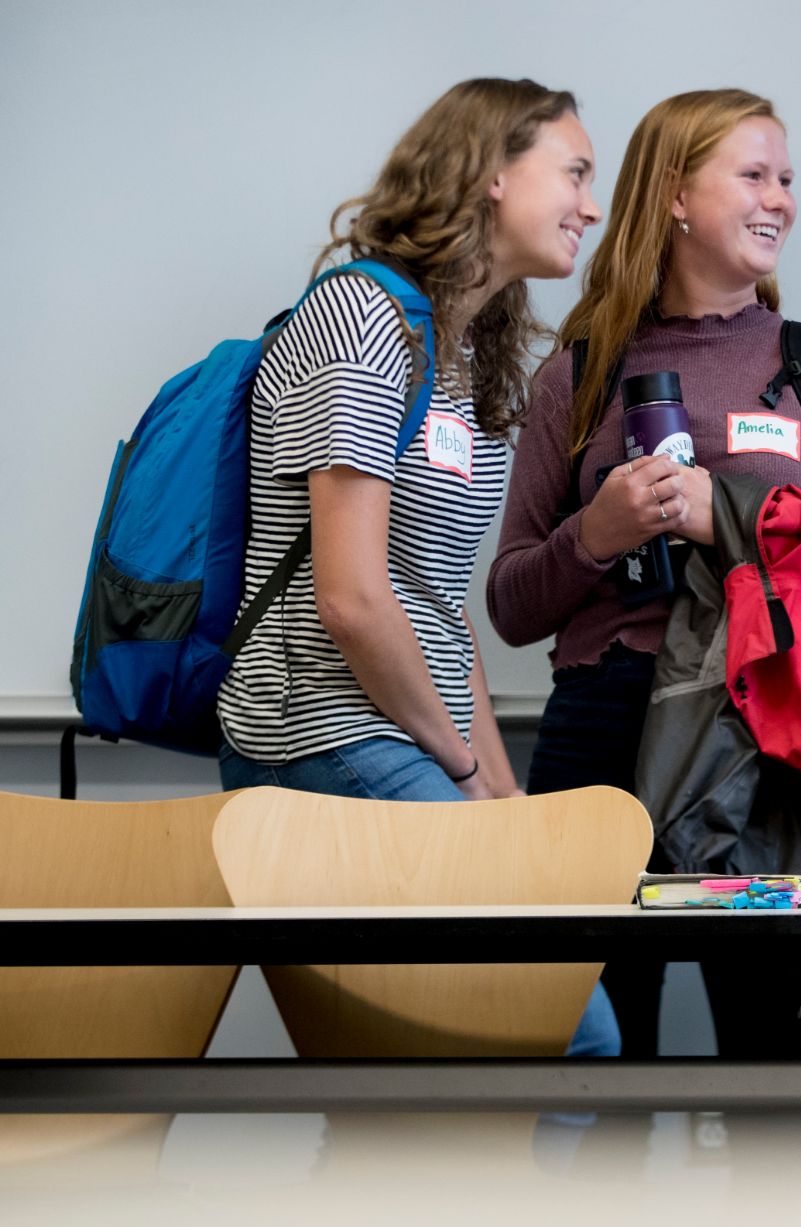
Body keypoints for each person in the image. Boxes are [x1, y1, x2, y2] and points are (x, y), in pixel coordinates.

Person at [486, 89, 801, 1071]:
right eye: (753, 175)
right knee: (591, 1062)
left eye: (786, 179)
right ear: (676, 196)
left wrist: (725, 517)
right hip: (599, 740)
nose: (779, 199)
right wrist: (594, 535)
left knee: (772, 1063)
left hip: (761, 747)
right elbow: (511, 606)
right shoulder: (580, 371)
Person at [213, 79, 616, 1052]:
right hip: (323, 731)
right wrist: (460, 761)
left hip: (398, 731)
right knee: (570, 1034)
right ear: (488, 174)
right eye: (572, 172)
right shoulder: (359, 320)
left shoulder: (460, 348)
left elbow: (430, 599)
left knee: (399, 1082)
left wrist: (501, 795)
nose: (591, 205)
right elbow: (353, 600)